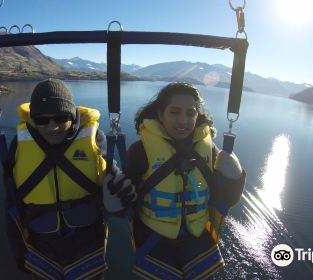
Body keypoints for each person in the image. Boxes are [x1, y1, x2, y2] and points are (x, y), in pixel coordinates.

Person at [104, 82, 246, 279]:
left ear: (198, 116)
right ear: (161, 114)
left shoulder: (210, 151)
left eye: (190, 113)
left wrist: (236, 179)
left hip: (199, 241)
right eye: (175, 112)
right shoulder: (141, 150)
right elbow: (128, 199)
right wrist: (115, 199)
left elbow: (224, 199)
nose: (183, 120)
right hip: (153, 241)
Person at [3, 78, 128, 279]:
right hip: (41, 244)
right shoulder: (18, 145)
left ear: (73, 115)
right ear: (33, 119)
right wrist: (18, 248)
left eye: (60, 118)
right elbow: (11, 202)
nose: (52, 127)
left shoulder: (95, 139)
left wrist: (122, 192)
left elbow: (113, 176)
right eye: (42, 120)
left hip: (88, 242)